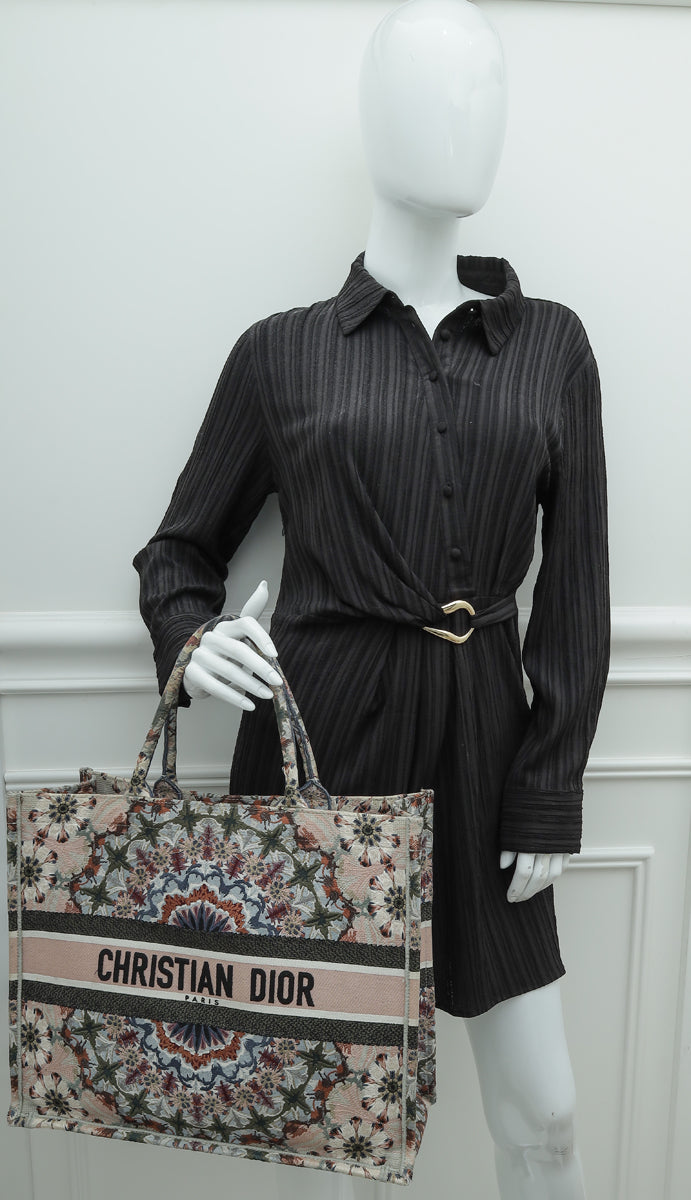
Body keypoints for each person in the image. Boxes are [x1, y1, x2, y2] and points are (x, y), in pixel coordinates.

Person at [134, 3, 609, 1195]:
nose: (467, 118)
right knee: (346, 1116)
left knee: (545, 1108)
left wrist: (549, 786)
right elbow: (177, 551)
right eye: (433, 87)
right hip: (322, 746)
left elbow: (578, 588)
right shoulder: (281, 352)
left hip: (489, 744)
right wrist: (194, 639)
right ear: (370, 113)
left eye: (487, 90)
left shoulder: (550, 347)